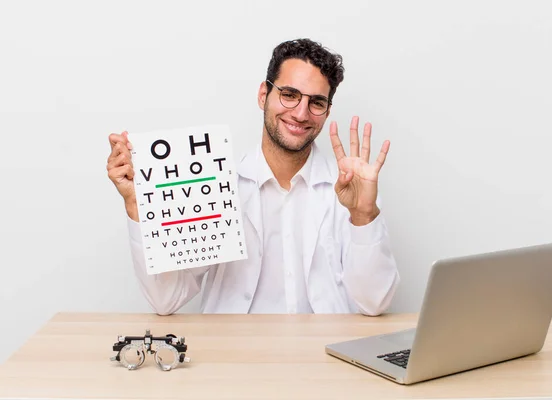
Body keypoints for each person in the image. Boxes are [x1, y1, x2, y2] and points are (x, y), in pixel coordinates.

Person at [106, 38, 400, 316]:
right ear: (264, 95)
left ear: (326, 111)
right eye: (289, 95)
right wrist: (137, 205)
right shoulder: (216, 186)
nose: (301, 113)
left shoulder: (350, 190)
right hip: (234, 358)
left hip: (325, 359)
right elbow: (166, 299)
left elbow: (375, 303)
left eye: (316, 102)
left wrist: (364, 215)